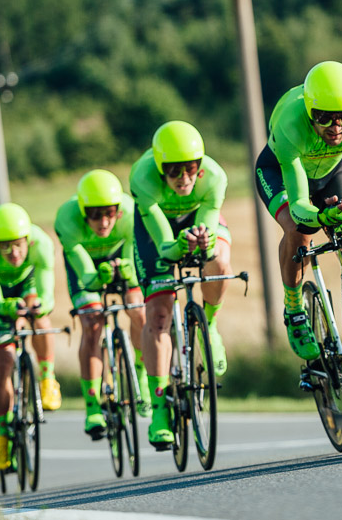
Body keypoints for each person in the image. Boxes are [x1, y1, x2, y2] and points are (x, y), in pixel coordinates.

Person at [253, 61, 342, 411]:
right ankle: (293, 307)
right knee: (299, 230)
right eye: (325, 118)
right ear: (309, 111)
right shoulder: (290, 123)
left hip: (333, 172)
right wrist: (319, 216)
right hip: (281, 172)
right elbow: (301, 203)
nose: (336, 126)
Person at [130, 120, 233, 449]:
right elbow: (164, 244)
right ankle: (159, 409)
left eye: (191, 168)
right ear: (160, 168)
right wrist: (178, 246)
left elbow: (208, 229)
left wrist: (204, 241)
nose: (185, 177)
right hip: (157, 229)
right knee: (158, 314)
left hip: (196, 217)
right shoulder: (142, 177)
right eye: (174, 170)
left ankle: (210, 325)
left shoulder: (214, 177)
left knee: (219, 263)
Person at [55, 169, 152, 440]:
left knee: (138, 311)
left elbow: (134, 255)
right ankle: (92, 406)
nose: (104, 221)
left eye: (110, 213)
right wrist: (98, 278)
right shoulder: (67, 219)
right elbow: (85, 274)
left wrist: (127, 271)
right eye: (95, 215)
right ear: (83, 212)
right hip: (85, 265)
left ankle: (142, 375)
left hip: (121, 256)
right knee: (93, 325)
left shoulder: (130, 212)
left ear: (118, 210)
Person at [0, 203, 59, 470]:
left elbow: (47, 294)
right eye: (5, 246)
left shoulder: (41, 243)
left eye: (18, 245)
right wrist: (6, 307)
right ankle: (1, 434)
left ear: (28, 240)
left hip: (26, 283)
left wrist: (40, 306)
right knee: (2, 361)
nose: (14, 253)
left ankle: (47, 379)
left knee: (41, 319)